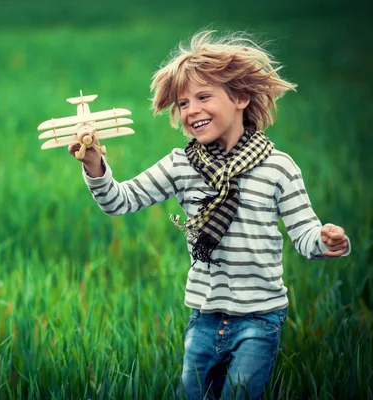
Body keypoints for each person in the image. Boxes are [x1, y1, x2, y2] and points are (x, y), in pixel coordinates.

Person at [68, 30, 351, 399]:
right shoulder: (181, 165)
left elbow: (304, 233)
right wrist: (94, 164)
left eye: (203, 97)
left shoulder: (277, 168)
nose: (192, 111)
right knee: (193, 394)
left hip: (259, 317)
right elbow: (120, 201)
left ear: (241, 97)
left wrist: (326, 241)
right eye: (183, 104)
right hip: (203, 316)